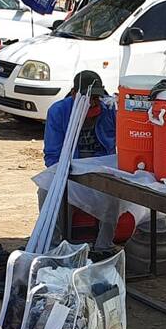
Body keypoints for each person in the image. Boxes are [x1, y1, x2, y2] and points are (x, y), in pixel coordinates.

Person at [43, 71, 119, 252]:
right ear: (74, 94)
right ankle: (54, 246)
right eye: (87, 98)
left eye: (96, 98)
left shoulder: (109, 110)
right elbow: (52, 155)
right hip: (70, 169)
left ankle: (103, 247)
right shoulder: (59, 111)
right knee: (46, 190)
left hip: (101, 169)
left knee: (115, 195)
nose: (92, 102)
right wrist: (67, 174)